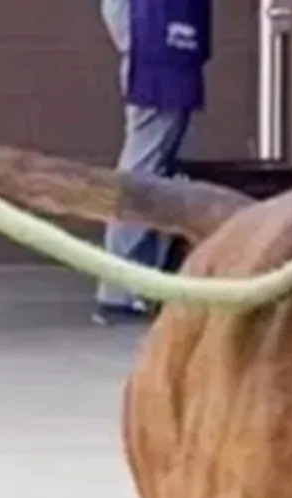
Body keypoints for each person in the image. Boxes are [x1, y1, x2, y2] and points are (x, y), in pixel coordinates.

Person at [95, 0, 213, 325]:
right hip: (158, 41)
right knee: (144, 166)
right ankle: (119, 288)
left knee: (156, 167)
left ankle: (138, 281)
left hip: (165, 38)